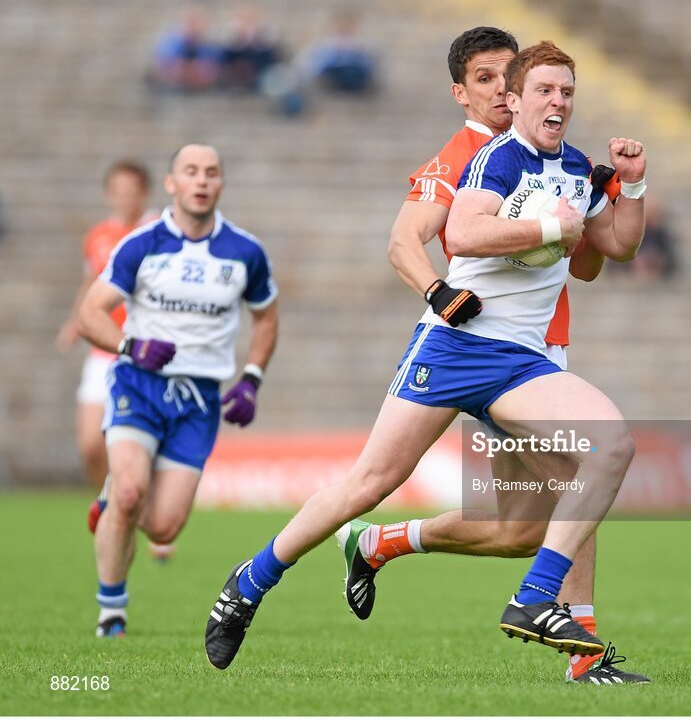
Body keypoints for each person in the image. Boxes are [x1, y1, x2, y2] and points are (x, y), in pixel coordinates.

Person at [204, 41, 647, 674]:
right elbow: (459, 234)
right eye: (542, 90)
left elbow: (615, 250)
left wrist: (633, 186)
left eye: (566, 92)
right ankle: (248, 583)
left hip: (525, 363)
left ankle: (536, 600)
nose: (556, 101)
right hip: (456, 348)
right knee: (370, 483)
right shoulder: (492, 158)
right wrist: (544, 234)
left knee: (596, 460)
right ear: (511, 101)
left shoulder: (576, 166)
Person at [332, 26, 648, 685]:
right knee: (580, 473)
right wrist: (440, 292)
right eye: (489, 79)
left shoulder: (555, 158)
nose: (506, 92)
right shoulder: (464, 160)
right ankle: (582, 651)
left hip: (539, 348)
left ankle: (378, 541)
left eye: (515, 79)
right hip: (474, 349)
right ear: (465, 92)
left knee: (517, 531)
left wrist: (609, 196)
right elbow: (409, 239)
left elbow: (589, 263)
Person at [79, 144, 279, 637]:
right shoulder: (141, 244)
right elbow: (90, 314)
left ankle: (112, 504)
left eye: (211, 172)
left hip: (198, 401)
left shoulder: (244, 251)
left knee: (164, 527)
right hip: (140, 386)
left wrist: (251, 377)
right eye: (190, 172)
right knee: (130, 492)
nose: (201, 180)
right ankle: (111, 613)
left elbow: (267, 316)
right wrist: (131, 345)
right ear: (172, 184)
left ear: (220, 184)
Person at [57, 160, 155, 493]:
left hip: (145, 353)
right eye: (119, 191)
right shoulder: (99, 236)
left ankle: (145, 507)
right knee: (89, 443)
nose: (126, 198)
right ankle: (108, 500)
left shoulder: (157, 232)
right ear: (109, 194)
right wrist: (75, 320)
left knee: (141, 445)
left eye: (132, 191)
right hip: (104, 349)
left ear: (144, 192)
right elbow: (90, 283)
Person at [151, 6, 223, 92]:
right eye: (191, 22)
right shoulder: (171, 43)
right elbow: (169, 67)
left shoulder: (209, 47)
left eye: (197, 22)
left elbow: (212, 68)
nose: (194, 26)